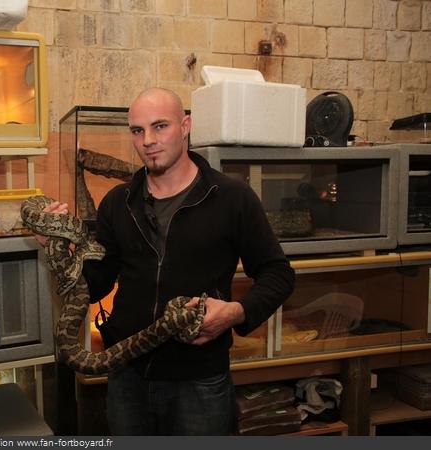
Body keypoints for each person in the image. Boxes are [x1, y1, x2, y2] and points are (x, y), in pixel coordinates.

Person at [40, 87, 295, 435]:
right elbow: (95, 283)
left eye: (160, 126)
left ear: (185, 125)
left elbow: (278, 274)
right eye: (137, 130)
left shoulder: (232, 198)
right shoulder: (118, 202)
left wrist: (236, 313)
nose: (148, 140)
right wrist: (55, 246)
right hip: (127, 376)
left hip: (199, 381)